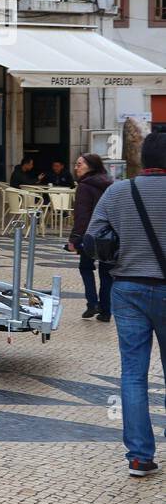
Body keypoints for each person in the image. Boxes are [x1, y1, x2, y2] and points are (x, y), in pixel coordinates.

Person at [87, 131, 166, 478]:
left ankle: (139, 456)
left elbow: (93, 238)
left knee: (133, 375)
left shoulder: (118, 191)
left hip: (129, 288)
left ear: (143, 159)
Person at [66, 152, 113, 321]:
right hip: (110, 236)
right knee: (106, 272)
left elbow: (82, 216)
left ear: (91, 167)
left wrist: (74, 239)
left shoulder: (85, 186)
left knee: (86, 268)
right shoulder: (110, 183)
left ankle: (92, 303)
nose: (76, 167)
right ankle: (106, 311)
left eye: (80, 164)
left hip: (91, 235)